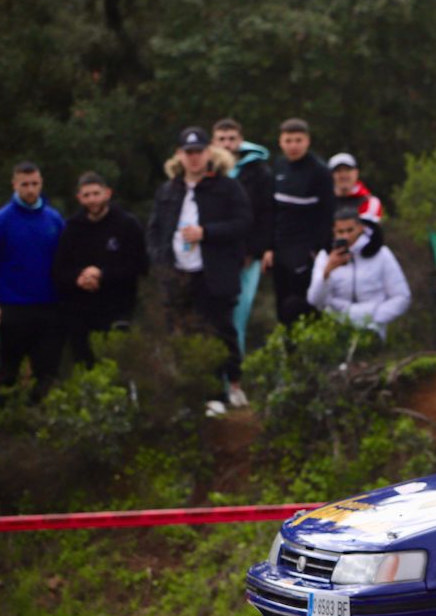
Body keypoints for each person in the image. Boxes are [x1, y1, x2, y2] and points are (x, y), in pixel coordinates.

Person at [147, 127, 253, 409]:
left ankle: (228, 388)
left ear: (209, 153)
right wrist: (160, 260)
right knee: (181, 335)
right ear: (180, 156)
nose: (194, 158)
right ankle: (191, 396)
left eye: (199, 152)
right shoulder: (169, 190)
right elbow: (154, 229)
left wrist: (207, 232)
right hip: (178, 275)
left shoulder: (227, 187)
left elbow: (243, 223)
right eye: (188, 153)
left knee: (220, 332)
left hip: (214, 274)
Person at [0, 161, 65, 399]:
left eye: (34, 184)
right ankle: (5, 426)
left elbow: (66, 259)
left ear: (41, 183)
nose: (30, 190)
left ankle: (42, 424)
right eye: (25, 184)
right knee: (9, 373)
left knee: (47, 371)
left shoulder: (53, 220)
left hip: (48, 306)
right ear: (15, 185)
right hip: (13, 307)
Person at [50, 172, 148, 366]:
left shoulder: (127, 224)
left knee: (118, 366)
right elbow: (59, 271)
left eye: (96, 193)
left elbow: (140, 265)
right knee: (85, 367)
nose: (92, 200)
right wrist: (78, 278)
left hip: (117, 309)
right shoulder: (71, 228)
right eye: (86, 195)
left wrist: (103, 274)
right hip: (81, 312)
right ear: (79, 198)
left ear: (107, 193)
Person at [264, 118, 334, 327]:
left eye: (298, 140)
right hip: (280, 249)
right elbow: (272, 211)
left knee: (304, 306)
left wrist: (316, 250)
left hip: (305, 250)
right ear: (280, 142)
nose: (293, 145)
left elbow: (327, 214)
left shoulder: (319, 171)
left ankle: (309, 353)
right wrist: (268, 247)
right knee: (282, 307)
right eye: (288, 140)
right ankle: (288, 354)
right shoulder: (278, 166)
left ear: (307, 141)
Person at [212, 118, 273, 356]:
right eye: (221, 139)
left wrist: (254, 250)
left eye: (232, 139)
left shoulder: (258, 171)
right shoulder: (207, 171)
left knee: (238, 316)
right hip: (214, 255)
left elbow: (264, 214)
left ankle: (234, 378)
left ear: (241, 140)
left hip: (247, 255)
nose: (227, 144)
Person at [307, 207, 410, 338]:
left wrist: (374, 318)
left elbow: (402, 296)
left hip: (373, 326)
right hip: (336, 326)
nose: (346, 236)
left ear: (360, 228)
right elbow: (315, 300)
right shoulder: (325, 257)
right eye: (340, 232)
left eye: (350, 230)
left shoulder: (382, 254)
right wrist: (327, 272)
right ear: (334, 232)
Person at [329, 153, 384, 222]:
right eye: (338, 171)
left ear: (356, 172)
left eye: (347, 170)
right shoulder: (321, 201)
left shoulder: (371, 203)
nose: (343, 175)